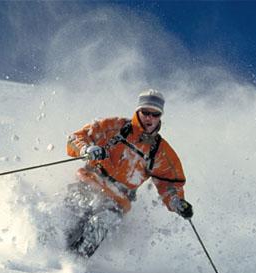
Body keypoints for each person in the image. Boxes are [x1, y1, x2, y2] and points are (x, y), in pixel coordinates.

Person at [64, 89, 193, 258]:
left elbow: (169, 184)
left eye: (155, 114)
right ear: (138, 111)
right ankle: (47, 249)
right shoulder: (114, 127)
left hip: (117, 199)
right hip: (90, 182)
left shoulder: (160, 151)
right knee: (68, 217)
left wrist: (177, 202)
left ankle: (73, 263)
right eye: (146, 112)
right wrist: (86, 149)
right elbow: (74, 139)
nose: (150, 118)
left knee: (102, 222)